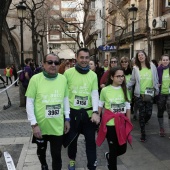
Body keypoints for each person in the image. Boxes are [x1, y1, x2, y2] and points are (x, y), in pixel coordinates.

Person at [26, 53, 70, 170]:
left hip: (57, 126)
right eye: (50, 62)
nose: (53, 65)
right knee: (41, 152)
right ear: (44, 64)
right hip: (41, 125)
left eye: (56, 62)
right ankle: (44, 165)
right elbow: (29, 103)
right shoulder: (35, 79)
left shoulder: (63, 79)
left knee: (57, 155)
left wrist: (67, 118)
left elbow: (66, 99)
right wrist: (34, 124)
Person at [64, 48, 100, 170]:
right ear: (77, 58)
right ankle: (72, 160)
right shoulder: (68, 73)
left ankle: (92, 165)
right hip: (73, 113)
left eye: (86, 58)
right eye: (82, 57)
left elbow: (95, 94)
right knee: (72, 140)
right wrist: (66, 116)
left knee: (90, 141)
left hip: (88, 113)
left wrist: (95, 112)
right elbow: (65, 95)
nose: (84, 60)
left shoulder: (93, 75)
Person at [96, 66, 133, 170]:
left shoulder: (125, 89)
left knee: (122, 149)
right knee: (113, 149)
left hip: (122, 123)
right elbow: (100, 104)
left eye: (122, 76)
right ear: (112, 77)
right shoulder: (105, 90)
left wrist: (128, 121)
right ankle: (112, 164)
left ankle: (109, 156)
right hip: (110, 124)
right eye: (118, 76)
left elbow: (128, 107)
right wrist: (98, 117)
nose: (121, 78)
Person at [127, 50, 159, 142]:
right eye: (139, 55)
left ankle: (142, 124)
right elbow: (132, 80)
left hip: (149, 94)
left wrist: (156, 89)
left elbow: (155, 78)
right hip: (139, 95)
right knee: (142, 113)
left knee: (148, 113)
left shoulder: (152, 66)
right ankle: (143, 133)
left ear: (145, 56)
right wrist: (126, 87)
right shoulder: (136, 68)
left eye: (142, 55)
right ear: (137, 58)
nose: (140, 56)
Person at [157, 54, 170, 137]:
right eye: (163, 60)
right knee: (160, 111)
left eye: (167, 60)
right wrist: (156, 84)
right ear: (161, 61)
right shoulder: (158, 69)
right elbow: (154, 79)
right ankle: (161, 128)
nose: (165, 61)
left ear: (169, 61)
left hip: (169, 94)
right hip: (161, 94)